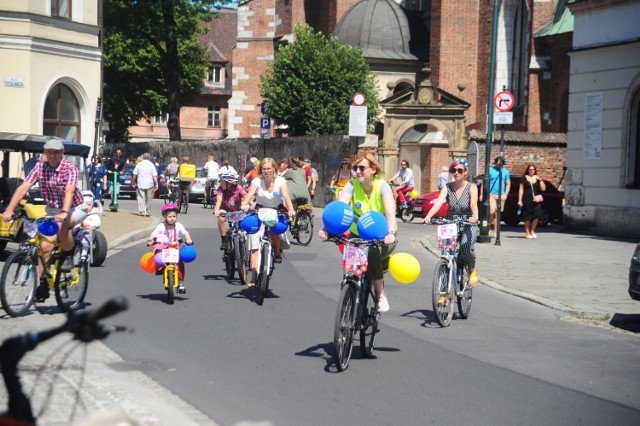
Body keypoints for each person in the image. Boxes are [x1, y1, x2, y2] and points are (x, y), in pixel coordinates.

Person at [2, 139, 88, 301]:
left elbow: (69, 191)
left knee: (64, 224)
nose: (52, 155)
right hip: (53, 209)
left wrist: (64, 212)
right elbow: (24, 186)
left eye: (56, 152)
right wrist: (10, 208)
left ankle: (68, 254)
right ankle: (43, 285)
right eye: (49, 152)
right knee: (45, 246)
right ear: (45, 153)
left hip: (74, 207)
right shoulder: (40, 167)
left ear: (62, 153)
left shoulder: (70, 168)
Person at [319, 153, 397, 313]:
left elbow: (390, 212)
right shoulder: (352, 184)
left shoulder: (382, 185)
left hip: (381, 235)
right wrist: (328, 229)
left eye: (362, 168)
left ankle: (380, 295)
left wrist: (390, 234)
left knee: (373, 254)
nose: (357, 172)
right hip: (358, 234)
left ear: (373, 170)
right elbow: (341, 207)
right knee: (350, 269)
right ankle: (349, 293)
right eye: (355, 168)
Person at [424, 158, 480, 288]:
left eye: (460, 170)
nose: (456, 173)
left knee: (466, 246)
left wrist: (475, 216)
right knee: (446, 255)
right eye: (453, 170)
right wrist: (428, 216)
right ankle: (443, 292)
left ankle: (472, 270)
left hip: (468, 222)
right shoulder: (447, 187)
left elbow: (473, 203)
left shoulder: (472, 187)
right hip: (450, 222)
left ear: (466, 172)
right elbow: (438, 203)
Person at [241, 157, 295, 288]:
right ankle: (253, 277)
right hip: (260, 210)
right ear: (261, 170)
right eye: (264, 169)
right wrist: (244, 204)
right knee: (254, 243)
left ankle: (277, 251)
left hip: (276, 210)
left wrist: (291, 209)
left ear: (274, 169)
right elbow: (250, 194)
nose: (266, 171)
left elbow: (286, 196)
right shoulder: (257, 181)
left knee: (274, 231)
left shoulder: (281, 181)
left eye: (269, 168)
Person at [147, 203, 193, 294]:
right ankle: (160, 267)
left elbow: (185, 233)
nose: (172, 218)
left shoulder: (178, 225)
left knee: (180, 263)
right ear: (164, 216)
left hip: (175, 248)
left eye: (174, 216)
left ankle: (180, 283)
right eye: (170, 216)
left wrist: (188, 239)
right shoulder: (161, 226)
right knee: (157, 253)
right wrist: (151, 240)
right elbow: (154, 234)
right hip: (164, 248)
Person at [214, 171, 247, 250]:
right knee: (221, 218)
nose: (220, 183)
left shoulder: (238, 188)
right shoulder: (220, 189)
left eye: (222, 182)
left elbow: (246, 196)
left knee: (241, 231)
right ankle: (224, 240)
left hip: (237, 212)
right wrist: (217, 209)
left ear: (230, 182)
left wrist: (249, 205)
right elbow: (219, 200)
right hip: (225, 211)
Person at [480, 156, 510, 236]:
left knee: (497, 214)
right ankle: (489, 228)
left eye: (501, 164)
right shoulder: (490, 171)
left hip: (501, 195)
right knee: (491, 212)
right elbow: (484, 182)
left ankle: (496, 231)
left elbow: (508, 183)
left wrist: (506, 194)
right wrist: (481, 193)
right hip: (491, 194)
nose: (500, 165)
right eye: (498, 164)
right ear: (495, 163)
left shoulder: (505, 172)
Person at [518, 164, 547, 239]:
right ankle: (527, 232)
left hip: (536, 200)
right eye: (530, 169)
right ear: (528, 170)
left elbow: (543, 189)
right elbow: (521, 190)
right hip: (527, 199)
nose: (532, 171)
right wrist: (520, 200)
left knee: (537, 215)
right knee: (527, 216)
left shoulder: (538, 178)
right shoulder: (524, 178)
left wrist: (540, 180)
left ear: (535, 170)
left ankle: (532, 230)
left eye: (533, 169)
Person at [131, 152, 158, 216]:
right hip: (149, 184)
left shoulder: (139, 164)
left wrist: (133, 182)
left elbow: (134, 174)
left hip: (141, 183)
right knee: (149, 198)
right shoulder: (151, 165)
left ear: (143, 157)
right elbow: (154, 176)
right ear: (149, 158)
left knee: (141, 197)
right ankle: (148, 211)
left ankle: (142, 211)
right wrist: (156, 183)